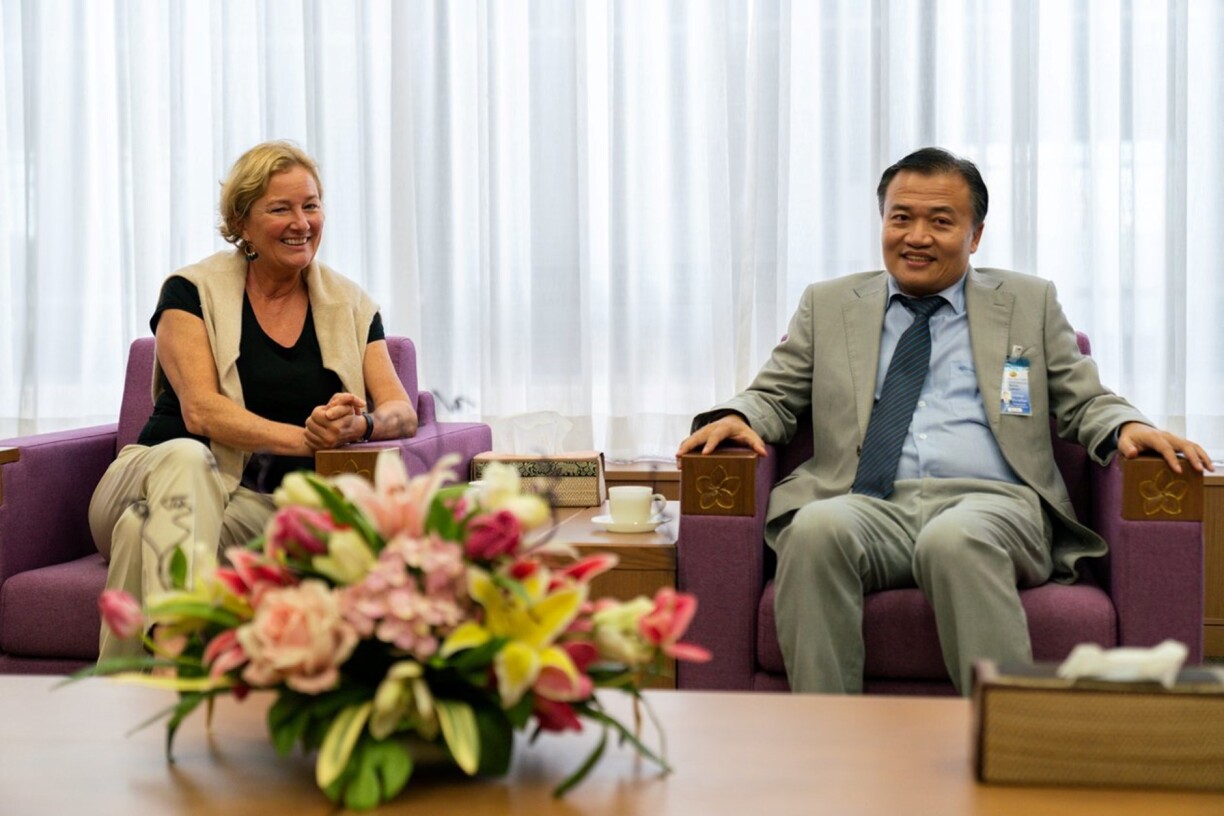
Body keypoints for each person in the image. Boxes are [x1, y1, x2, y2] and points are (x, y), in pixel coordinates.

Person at [676, 147, 1214, 695]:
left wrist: (1126, 427)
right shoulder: (829, 304)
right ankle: (827, 734)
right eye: (901, 218)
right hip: (867, 503)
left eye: (940, 221)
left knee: (954, 540)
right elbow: (775, 393)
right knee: (814, 531)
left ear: (974, 235)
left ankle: (1007, 734)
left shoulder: (1028, 302)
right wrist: (737, 415)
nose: (916, 237)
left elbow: (1084, 399)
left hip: (994, 505)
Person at [89, 140, 418, 661]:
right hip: (146, 474)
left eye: (311, 205)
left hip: (250, 505)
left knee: (143, 528)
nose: (301, 223)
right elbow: (201, 412)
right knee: (187, 456)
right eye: (280, 209)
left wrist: (361, 427)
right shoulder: (189, 292)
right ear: (241, 222)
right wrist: (308, 440)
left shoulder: (351, 306)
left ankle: (129, 693)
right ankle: (179, 648)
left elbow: (402, 411)